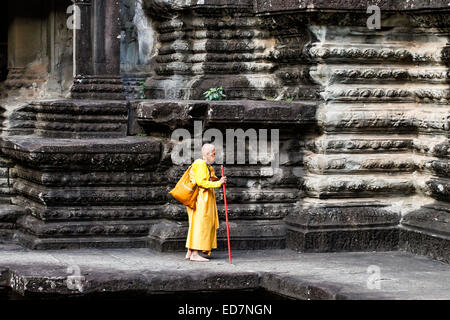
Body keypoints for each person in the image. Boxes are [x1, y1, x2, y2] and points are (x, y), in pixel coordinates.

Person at [185, 144, 227, 262]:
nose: (214, 156)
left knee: (197, 225)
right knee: (200, 225)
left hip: (204, 200)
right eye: (213, 153)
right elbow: (201, 182)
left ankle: (190, 251)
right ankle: (194, 253)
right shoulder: (200, 163)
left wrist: (218, 179)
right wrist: (218, 183)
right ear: (207, 154)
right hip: (200, 200)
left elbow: (208, 178)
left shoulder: (205, 165)